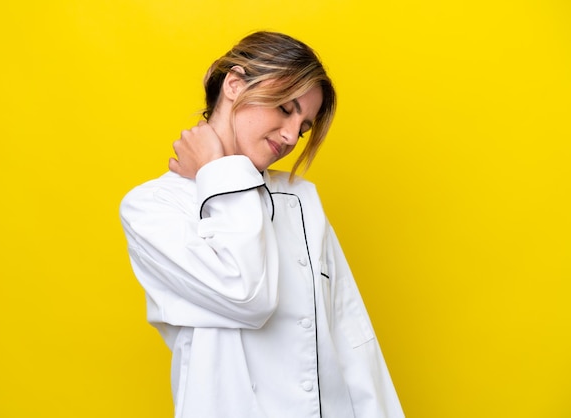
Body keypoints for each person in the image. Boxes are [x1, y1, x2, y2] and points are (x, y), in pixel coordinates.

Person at [120, 31, 404, 418]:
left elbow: (352, 336)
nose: (291, 137)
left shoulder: (300, 198)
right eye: (286, 108)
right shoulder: (152, 208)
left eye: (303, 128)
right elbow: (248, 296)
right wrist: (220, 172)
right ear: (235, 84)